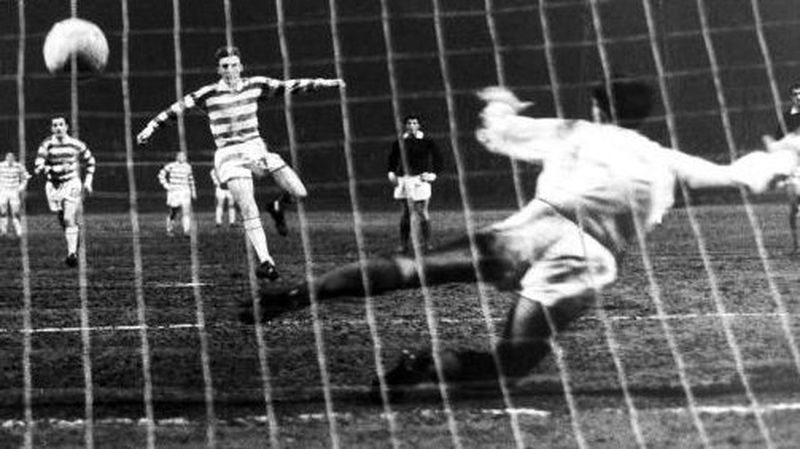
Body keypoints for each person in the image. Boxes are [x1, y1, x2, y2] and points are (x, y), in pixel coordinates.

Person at [241, 87, 798, 400]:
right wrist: (782, 155)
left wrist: (502, 103)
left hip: (534, 228)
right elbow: (742, 177)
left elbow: (498, 132)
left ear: (603, 107)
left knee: (411, 266)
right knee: (510, 365)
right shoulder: (666, 160)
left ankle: (303, 293)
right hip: (588, 261)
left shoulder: (578, 130)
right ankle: (422, 366)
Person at [136, 46, 345, 280]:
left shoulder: (256, 84)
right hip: (228, 155)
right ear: (219, 69)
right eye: (225, 66)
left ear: (241, 66)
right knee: (247, 205)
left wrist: (326, 83)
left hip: (256, 148)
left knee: (299, 192)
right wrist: (150, 128)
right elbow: (176, 109)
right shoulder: (209, 93)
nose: (230, 70)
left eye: (234, 65)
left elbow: (289, 86)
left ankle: (278, 207)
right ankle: (267, 261)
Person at [34, 116, 96, 267]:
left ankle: (72, 254)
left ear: (66, 127)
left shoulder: (76, 144)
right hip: (53, 186)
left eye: (61, 124)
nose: (58, 127)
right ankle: (74, 238)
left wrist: (88, 182)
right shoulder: (46, 144)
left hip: (71, 183)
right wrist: (55, 169)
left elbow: (91, 161)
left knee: (69, 217)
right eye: (55, 125)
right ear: (51, 128)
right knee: (63, 220)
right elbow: (38, 168)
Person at [387, 115, 444, 253]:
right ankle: (403, 245)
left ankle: (427, 244)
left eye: (415, 123)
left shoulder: (427, 141)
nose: (412, 125)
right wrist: (391, 172)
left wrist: (433, 174)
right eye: (409, 123)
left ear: (418, 125)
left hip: (421, 180)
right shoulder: (400, 141)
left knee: (422, 213)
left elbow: (438, 158)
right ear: (405, 126)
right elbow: (393, 158)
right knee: (406, 213)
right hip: (404, 179)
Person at [159, 152, 196, 236]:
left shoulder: (188, 167)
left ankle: (187, 231)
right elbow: (161, 175)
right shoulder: (171, 166)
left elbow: (191, 179)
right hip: (174, 192)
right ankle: (169, 230)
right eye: (181, 156)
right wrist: (167, 185)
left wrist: (193, 191)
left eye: (184, 156)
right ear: (177, 157)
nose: (183, 157)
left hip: (185, 191)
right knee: (173, 212)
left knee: (186, 212)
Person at [0, 152, 30, 238]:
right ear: (5, 158)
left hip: (14, 191)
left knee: (15, 212)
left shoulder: (19, 166)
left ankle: (19, 232)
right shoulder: (1, 166)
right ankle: (3, 231)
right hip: (3, 191)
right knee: (3, 212)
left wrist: (21, 188)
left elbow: (25, 177)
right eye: (8, 157)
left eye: (11, 157)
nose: (10, 159)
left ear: (14, 158)